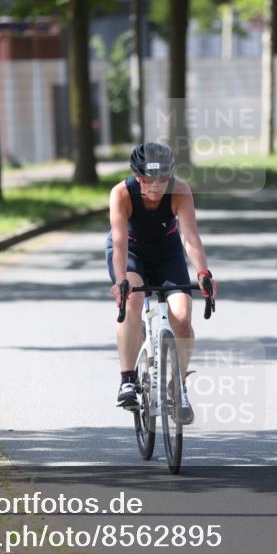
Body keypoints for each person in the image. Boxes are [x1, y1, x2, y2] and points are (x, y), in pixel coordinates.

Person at [106, 142, 217, 423]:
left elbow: (190, 237)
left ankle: (178, 386)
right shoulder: (121, 194)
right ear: (137, 176)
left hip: (167, 252)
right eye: (148, 180)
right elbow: (118, 243)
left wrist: (203, 272)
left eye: (162, 180)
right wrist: (121, 280)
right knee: (133, 300)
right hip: (130, 252)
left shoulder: (180, 191)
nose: (156, 186)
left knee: (181, 315)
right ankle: (128, 379)